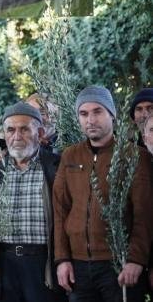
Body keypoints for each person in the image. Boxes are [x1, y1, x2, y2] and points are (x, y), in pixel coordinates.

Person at [53, 86, 153, 301]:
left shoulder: (134, 156)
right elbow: (60, 211)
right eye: (84, 113)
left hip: (118, 264)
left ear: (112, 114)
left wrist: (136, 259)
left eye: (98, 111)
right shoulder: (70, 155)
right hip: (78, 267)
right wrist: (62, 259)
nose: (90, 119)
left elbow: (144, 214)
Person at [0, 102, 64, 302]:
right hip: (4, 264)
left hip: (44, 263)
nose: (16, 136)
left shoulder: (57, 167)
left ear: (39, 133)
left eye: (24, 129)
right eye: (11, 130)